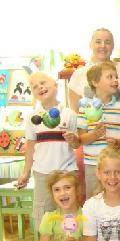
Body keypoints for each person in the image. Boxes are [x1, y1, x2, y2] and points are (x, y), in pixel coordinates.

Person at [16, 72, 79, 231]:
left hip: (67, 172)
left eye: (43, 83)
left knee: (69, 214)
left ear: (56, 86)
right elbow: (30, 147)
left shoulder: (69, 114)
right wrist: (25, 172)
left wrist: (73, 140)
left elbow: (77, 144)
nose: (40, 87)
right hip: (42, 173)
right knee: (44, 214)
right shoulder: (33, 118)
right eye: (35, 86)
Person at [77, 62, 120, 199]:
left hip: (118, 165)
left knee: (119, 198)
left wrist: (118, 141)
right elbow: (81, 139)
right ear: (95, 82)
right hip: (93, 165)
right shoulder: (85, 108)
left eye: (116, 77)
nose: (115, 80)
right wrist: (94, 135)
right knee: (94, 200)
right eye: (110, 77)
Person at [68, 28, 120, 114]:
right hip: (88, 126)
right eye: (98, 42)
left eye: (107, 42)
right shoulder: (78, 74)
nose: (103, 46)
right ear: (90, 45)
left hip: (119, 126)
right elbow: (74, 113)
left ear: (113, 46)